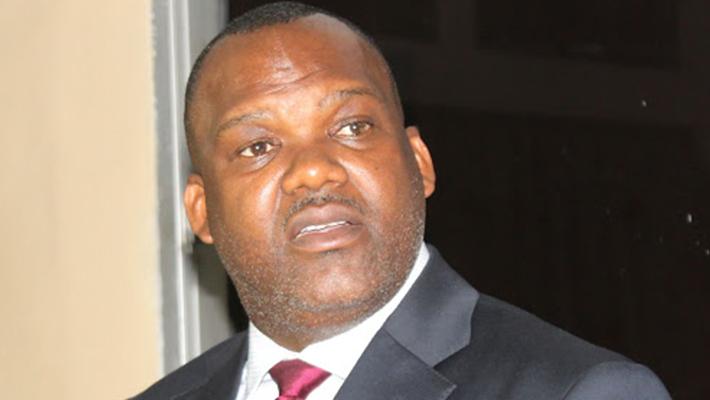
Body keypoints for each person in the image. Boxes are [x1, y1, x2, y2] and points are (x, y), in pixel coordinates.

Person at [136, 2, 671, 399]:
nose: (314, 169)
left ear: (420, 163)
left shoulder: (582, 391)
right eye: (258, 147)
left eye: (352, 127)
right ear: (201, 211)